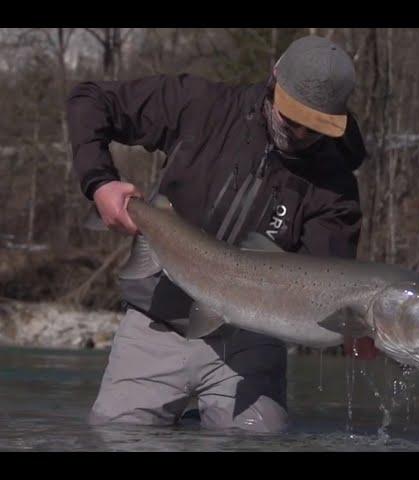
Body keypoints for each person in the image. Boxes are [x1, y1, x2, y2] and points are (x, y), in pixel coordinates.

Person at [67, 34, 376, 433]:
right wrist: (100, 183)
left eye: (314, 127)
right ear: (273, 79)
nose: (300, 133)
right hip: (156, 320)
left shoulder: (335, 189)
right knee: (116, 437)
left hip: (250, 341)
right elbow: (89, 99)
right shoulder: (202, 106)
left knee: (258, 438)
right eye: (292, 118)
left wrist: (349, 329)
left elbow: (322, 283)